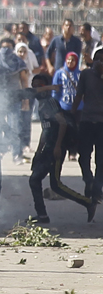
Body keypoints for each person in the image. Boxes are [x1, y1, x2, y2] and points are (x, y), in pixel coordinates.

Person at [28, 74, 97, 223]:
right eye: (34, 86)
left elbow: (62, 123)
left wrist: (58, 146)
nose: (37, 90)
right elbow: (45, 130)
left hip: (55, 149)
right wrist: (38, 152)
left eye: (40, 86)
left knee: (55, 184)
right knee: (36, 180)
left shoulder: (50, 103)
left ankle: (88, 202)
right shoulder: (41, 105)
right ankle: (42, 215)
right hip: (47, 149)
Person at [71, 48, 103, 202]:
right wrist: (71, 114)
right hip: (87, 120)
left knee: (101, 160)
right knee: (83, 156)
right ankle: (88, 180)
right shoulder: (86, 74)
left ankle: (97, 189)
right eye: (98, 60)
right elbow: (79, 96)